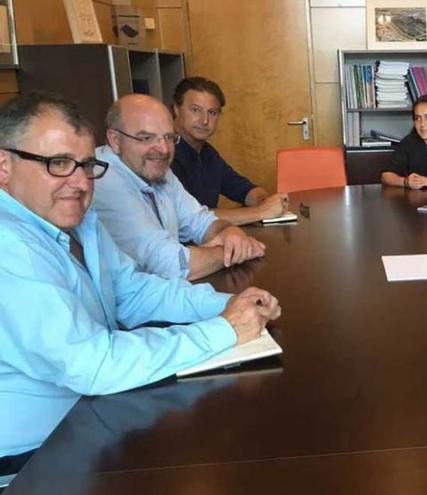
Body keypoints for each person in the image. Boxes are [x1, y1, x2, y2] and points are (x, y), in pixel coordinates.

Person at [0, 92, 281, 468]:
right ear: (4, 166)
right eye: (58, 163)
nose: (80, 182)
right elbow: (94, 364)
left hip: (93, 412)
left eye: (85, 165)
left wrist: (227, 304)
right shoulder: (10, 247)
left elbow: (132, 291)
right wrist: (223, 330)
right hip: (37, 456)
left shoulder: (78, 220)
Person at [92, 94, 266, 281]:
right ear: (115, 140)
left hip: (167, 296)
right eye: (146, 138)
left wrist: (230, 232)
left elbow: (200, 221)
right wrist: (230, 252)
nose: (164, 149)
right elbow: (170, 265)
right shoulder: (102, 178)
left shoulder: (155, 167)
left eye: (168, 137)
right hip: (130, 306)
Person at [170, 77, 290, 225]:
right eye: (196, 110)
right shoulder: (164, 155)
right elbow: (190, 217)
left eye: (212, 113)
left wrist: (265, 201)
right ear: (176, 109)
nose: (205, 120)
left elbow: (242, 189)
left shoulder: (207, 153)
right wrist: (261, 211)